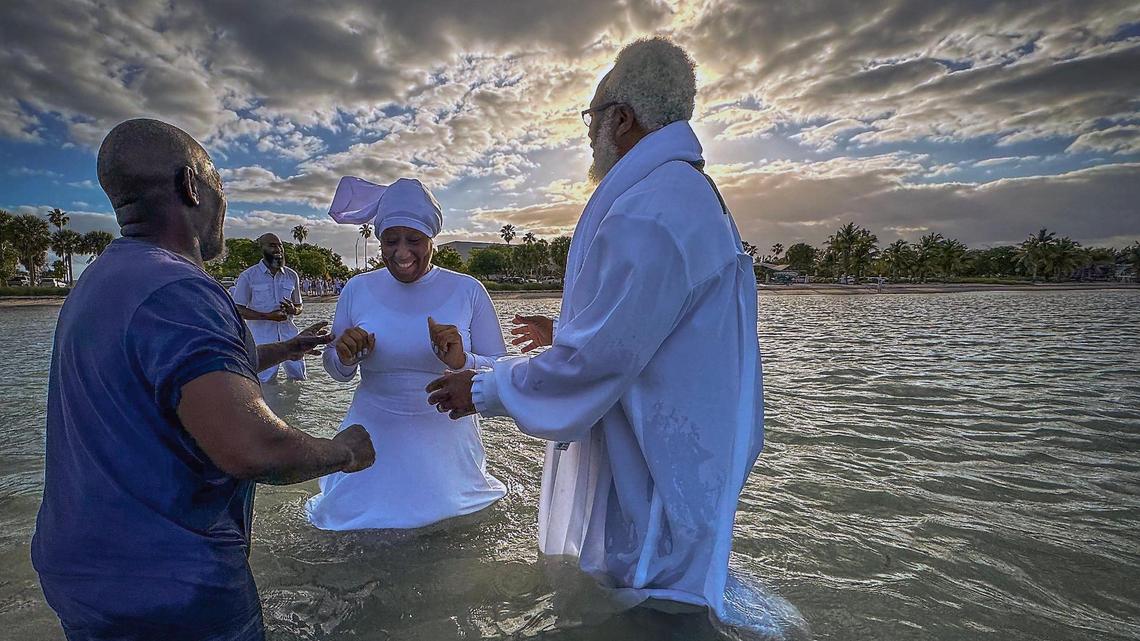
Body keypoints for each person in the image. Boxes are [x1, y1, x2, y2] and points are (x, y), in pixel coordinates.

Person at [427, 38, 764, 617]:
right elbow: (653, 333)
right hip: (697, 453)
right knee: (686, 586)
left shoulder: (650, 210)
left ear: (622, 119)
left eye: (592, 118)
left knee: (657, 601)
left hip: (661, 464)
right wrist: (565, 332)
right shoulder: (691, 197)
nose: (589, 135)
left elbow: (600, 362)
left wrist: (483, 388)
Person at [31, 118, 376, 641]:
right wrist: (344, 451)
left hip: (81, 570)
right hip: (170, 581)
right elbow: (253, 448)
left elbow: (168, 382)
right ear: (191, 186)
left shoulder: (103, 279)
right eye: (221, 190)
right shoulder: (180, 288)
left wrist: (280, 349)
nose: (223, 207)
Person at [305, 177, 507, 530]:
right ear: (378, 239)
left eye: (413, 240)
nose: (401, 253)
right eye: (390, 240)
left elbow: (504, 370)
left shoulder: (467, 289)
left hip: (447, 446)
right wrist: (346, 355)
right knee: (349, 527)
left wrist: (462, 362)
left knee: (451, 536)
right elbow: (336, 371)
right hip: (371, 436)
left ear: (433, 239)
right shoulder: (357, 288)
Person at [232, 233, 306, 383]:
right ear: (261, 248)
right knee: (264, 382)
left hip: (290, 336)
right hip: (262, 341)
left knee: (298, 379)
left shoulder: (292, 276)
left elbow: (299, 306)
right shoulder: (248, 276)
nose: (278, 249)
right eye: (272, 245)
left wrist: (293, 310)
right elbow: (237, 309)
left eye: (280, 245)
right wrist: (268, 316)